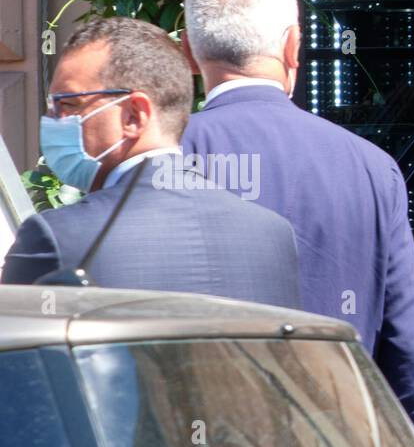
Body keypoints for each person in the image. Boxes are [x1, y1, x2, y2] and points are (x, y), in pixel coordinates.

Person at [181, 0, 414, 433]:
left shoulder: (165, 159)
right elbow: (408, 352)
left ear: (188, 51)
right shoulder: (371, 168)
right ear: (292, 46)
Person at [1, 16, 299, 309]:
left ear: (133, 115)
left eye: (67, 104)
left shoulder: (56, 238)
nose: (54, 120)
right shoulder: (272, 233)